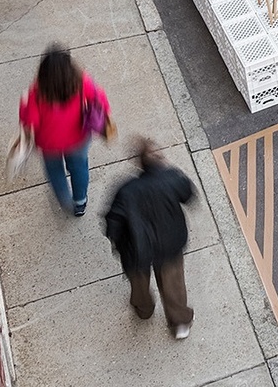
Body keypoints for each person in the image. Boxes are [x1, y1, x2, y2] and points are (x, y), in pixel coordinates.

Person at [103, 140, 198, 338]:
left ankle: (144, 309)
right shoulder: (172, 178)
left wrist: (119, 243)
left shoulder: (126, 191)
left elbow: (113, 222)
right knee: (173, 284)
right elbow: (188, 195)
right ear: (160, 161)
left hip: (137, 250)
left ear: (139, 163)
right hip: (170, 244)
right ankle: (180, 322)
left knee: (139, 284)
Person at [18, 45, 112, 217]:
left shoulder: (37, 92)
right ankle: (80, 202)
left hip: (49, 143)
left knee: (55, 172)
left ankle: (65, 200)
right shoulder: (82, 82)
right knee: (79, 168)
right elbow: (100, 101)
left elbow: (30, 120)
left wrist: (24, 103)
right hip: (78, 139)